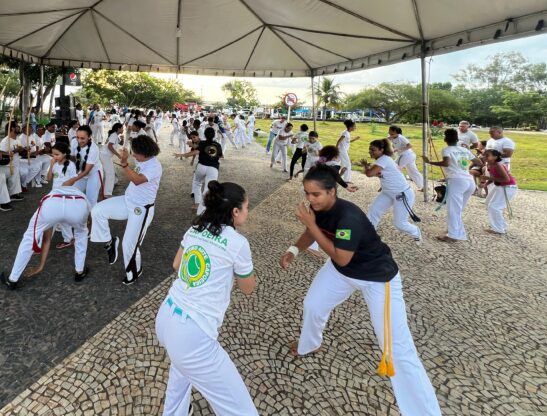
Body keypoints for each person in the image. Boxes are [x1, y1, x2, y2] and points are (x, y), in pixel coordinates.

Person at [280, 166, 441, 416]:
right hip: (341, 272)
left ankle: (424, 412)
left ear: (332, 192)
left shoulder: (349, 218)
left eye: (316, 194)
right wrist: (293, 250)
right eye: (307, 193)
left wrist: (311, 226)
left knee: (396, 349)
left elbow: (341, 256)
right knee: (313, 304)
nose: (310, 199)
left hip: (376, 278)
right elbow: (313, 234)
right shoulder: (317, 209)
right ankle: (310, 344)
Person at [156, 181, 258, 416]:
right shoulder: (238, 243)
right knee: (241, 410)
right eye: (246, 207)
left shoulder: (195, 229)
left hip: (167, 316)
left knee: (180, 374)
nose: (247, 212)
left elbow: (176, 264)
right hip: (193, 334)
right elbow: (247, 287)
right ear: (234, 211)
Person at [0, 143, 90, 289]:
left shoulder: (71, 166)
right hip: (76, 203)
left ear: (64, 154)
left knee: (30, 237)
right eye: (53, 154)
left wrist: (40, 267)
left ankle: (13, 279)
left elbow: (47, 239)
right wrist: (51, 164)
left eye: (56, 154)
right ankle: (79, 271)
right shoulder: (54, 164)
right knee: (81, 234)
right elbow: (48, 178)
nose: (54, 157)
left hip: (54, 202)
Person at [91, 135, 162, 285]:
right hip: (127, 200)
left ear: (145, 152)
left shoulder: (154, 166)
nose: (134, 155)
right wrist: (125, 160)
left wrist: (124, 164)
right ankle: (109, 243)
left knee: (129, 244)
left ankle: (134, 272)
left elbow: (136, 180)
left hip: (142, 209)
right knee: (97, 210)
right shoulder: (141, 159)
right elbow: (133, 170)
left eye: (135, 152)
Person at [422, 129, 480, 242]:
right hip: (469, 181)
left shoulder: (446, 149)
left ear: (445, 139)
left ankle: (454, 235)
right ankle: (453, 230)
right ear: (457, 139)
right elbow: (479, 162)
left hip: (457, 181)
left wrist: (430, 162)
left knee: (453, 209)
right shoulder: (464, 149)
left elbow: (447, 163)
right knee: (457, 209)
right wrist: (464, 167)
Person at [359, 139, 422, 242]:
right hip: (388, 192)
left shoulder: (384, 159)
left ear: (381, 150)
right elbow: (378, 173)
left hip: (402, 194)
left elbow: (369, 174)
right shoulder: (383, 160)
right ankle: (368, 236)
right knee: (373, 212)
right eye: (369, 149)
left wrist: (366, 166)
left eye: (373, 150)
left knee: (400, 224)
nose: (370, 151)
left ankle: (415, 231)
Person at [481, 149, 518, 235]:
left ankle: (498, 229)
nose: (485, 157)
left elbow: (506, 179)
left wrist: (489, 179)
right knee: (488, 203)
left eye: (487, 155)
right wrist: (485, 184)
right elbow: (493, 177)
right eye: (484, 155)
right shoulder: (490, 165)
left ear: (495, 157)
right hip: (500, 186)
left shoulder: (498, 165)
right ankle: (501, 225)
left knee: (494, 207)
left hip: (508, 187)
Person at [65, 126, 103, 207]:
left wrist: (72, 179)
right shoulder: (74, 142)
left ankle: (91, 218)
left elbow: (87, 171)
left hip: (94, 173)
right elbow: (72, 158)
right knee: (73, 193)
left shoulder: (94, 149)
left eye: (82, 138)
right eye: (77, 137)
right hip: (81, 172)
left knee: (91, 200)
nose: (79, 140)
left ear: (89, 137)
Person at [0, 122, 41, 190]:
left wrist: (24, 149)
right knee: (24, 172)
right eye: (17, 126)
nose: (19, 128)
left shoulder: (17, 139)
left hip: (18, 162)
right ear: (12, 128)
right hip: (10, 165)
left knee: (36, 166)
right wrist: (15, 150)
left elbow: (20, 152)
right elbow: (2, 154)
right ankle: (15, 190)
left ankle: (23, 184)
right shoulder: (5, 141)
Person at [387, 126, 423, 191]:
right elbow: (393, 145)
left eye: (392, 133)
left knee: (395, 168)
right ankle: (423, 186)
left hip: (407, 155)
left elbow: (410, 145)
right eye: (389, 132)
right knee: (413, 172)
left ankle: (397, 185)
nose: (390, 134)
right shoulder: (390, 137)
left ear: (397, 133)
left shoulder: (401, 137)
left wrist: (398, 149)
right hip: (407, 156)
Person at [101, 123, 125, 199]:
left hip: (106, 156)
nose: (123, 129)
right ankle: (107, 193)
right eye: (122, 128)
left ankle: (113, 183)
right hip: (105, 156)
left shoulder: (115, 135)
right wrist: (118, 155)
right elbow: (109, 146)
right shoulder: (114, 135)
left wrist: (123, 138)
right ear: (118, 128)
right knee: (110, 174)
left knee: (111, 172)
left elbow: (120, 143)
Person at [336, 120, 359, 184]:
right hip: (342, 151)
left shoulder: (347, 133)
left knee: (342, 164)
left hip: (344, 150)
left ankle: (341, 177)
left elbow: (347, 141)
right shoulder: (345, 133)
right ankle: (346, 180)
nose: (355, 128)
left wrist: (355, 139)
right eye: (354, 126)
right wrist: (336, 149)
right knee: (347, 164)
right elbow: (339, 141)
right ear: (350, 127)